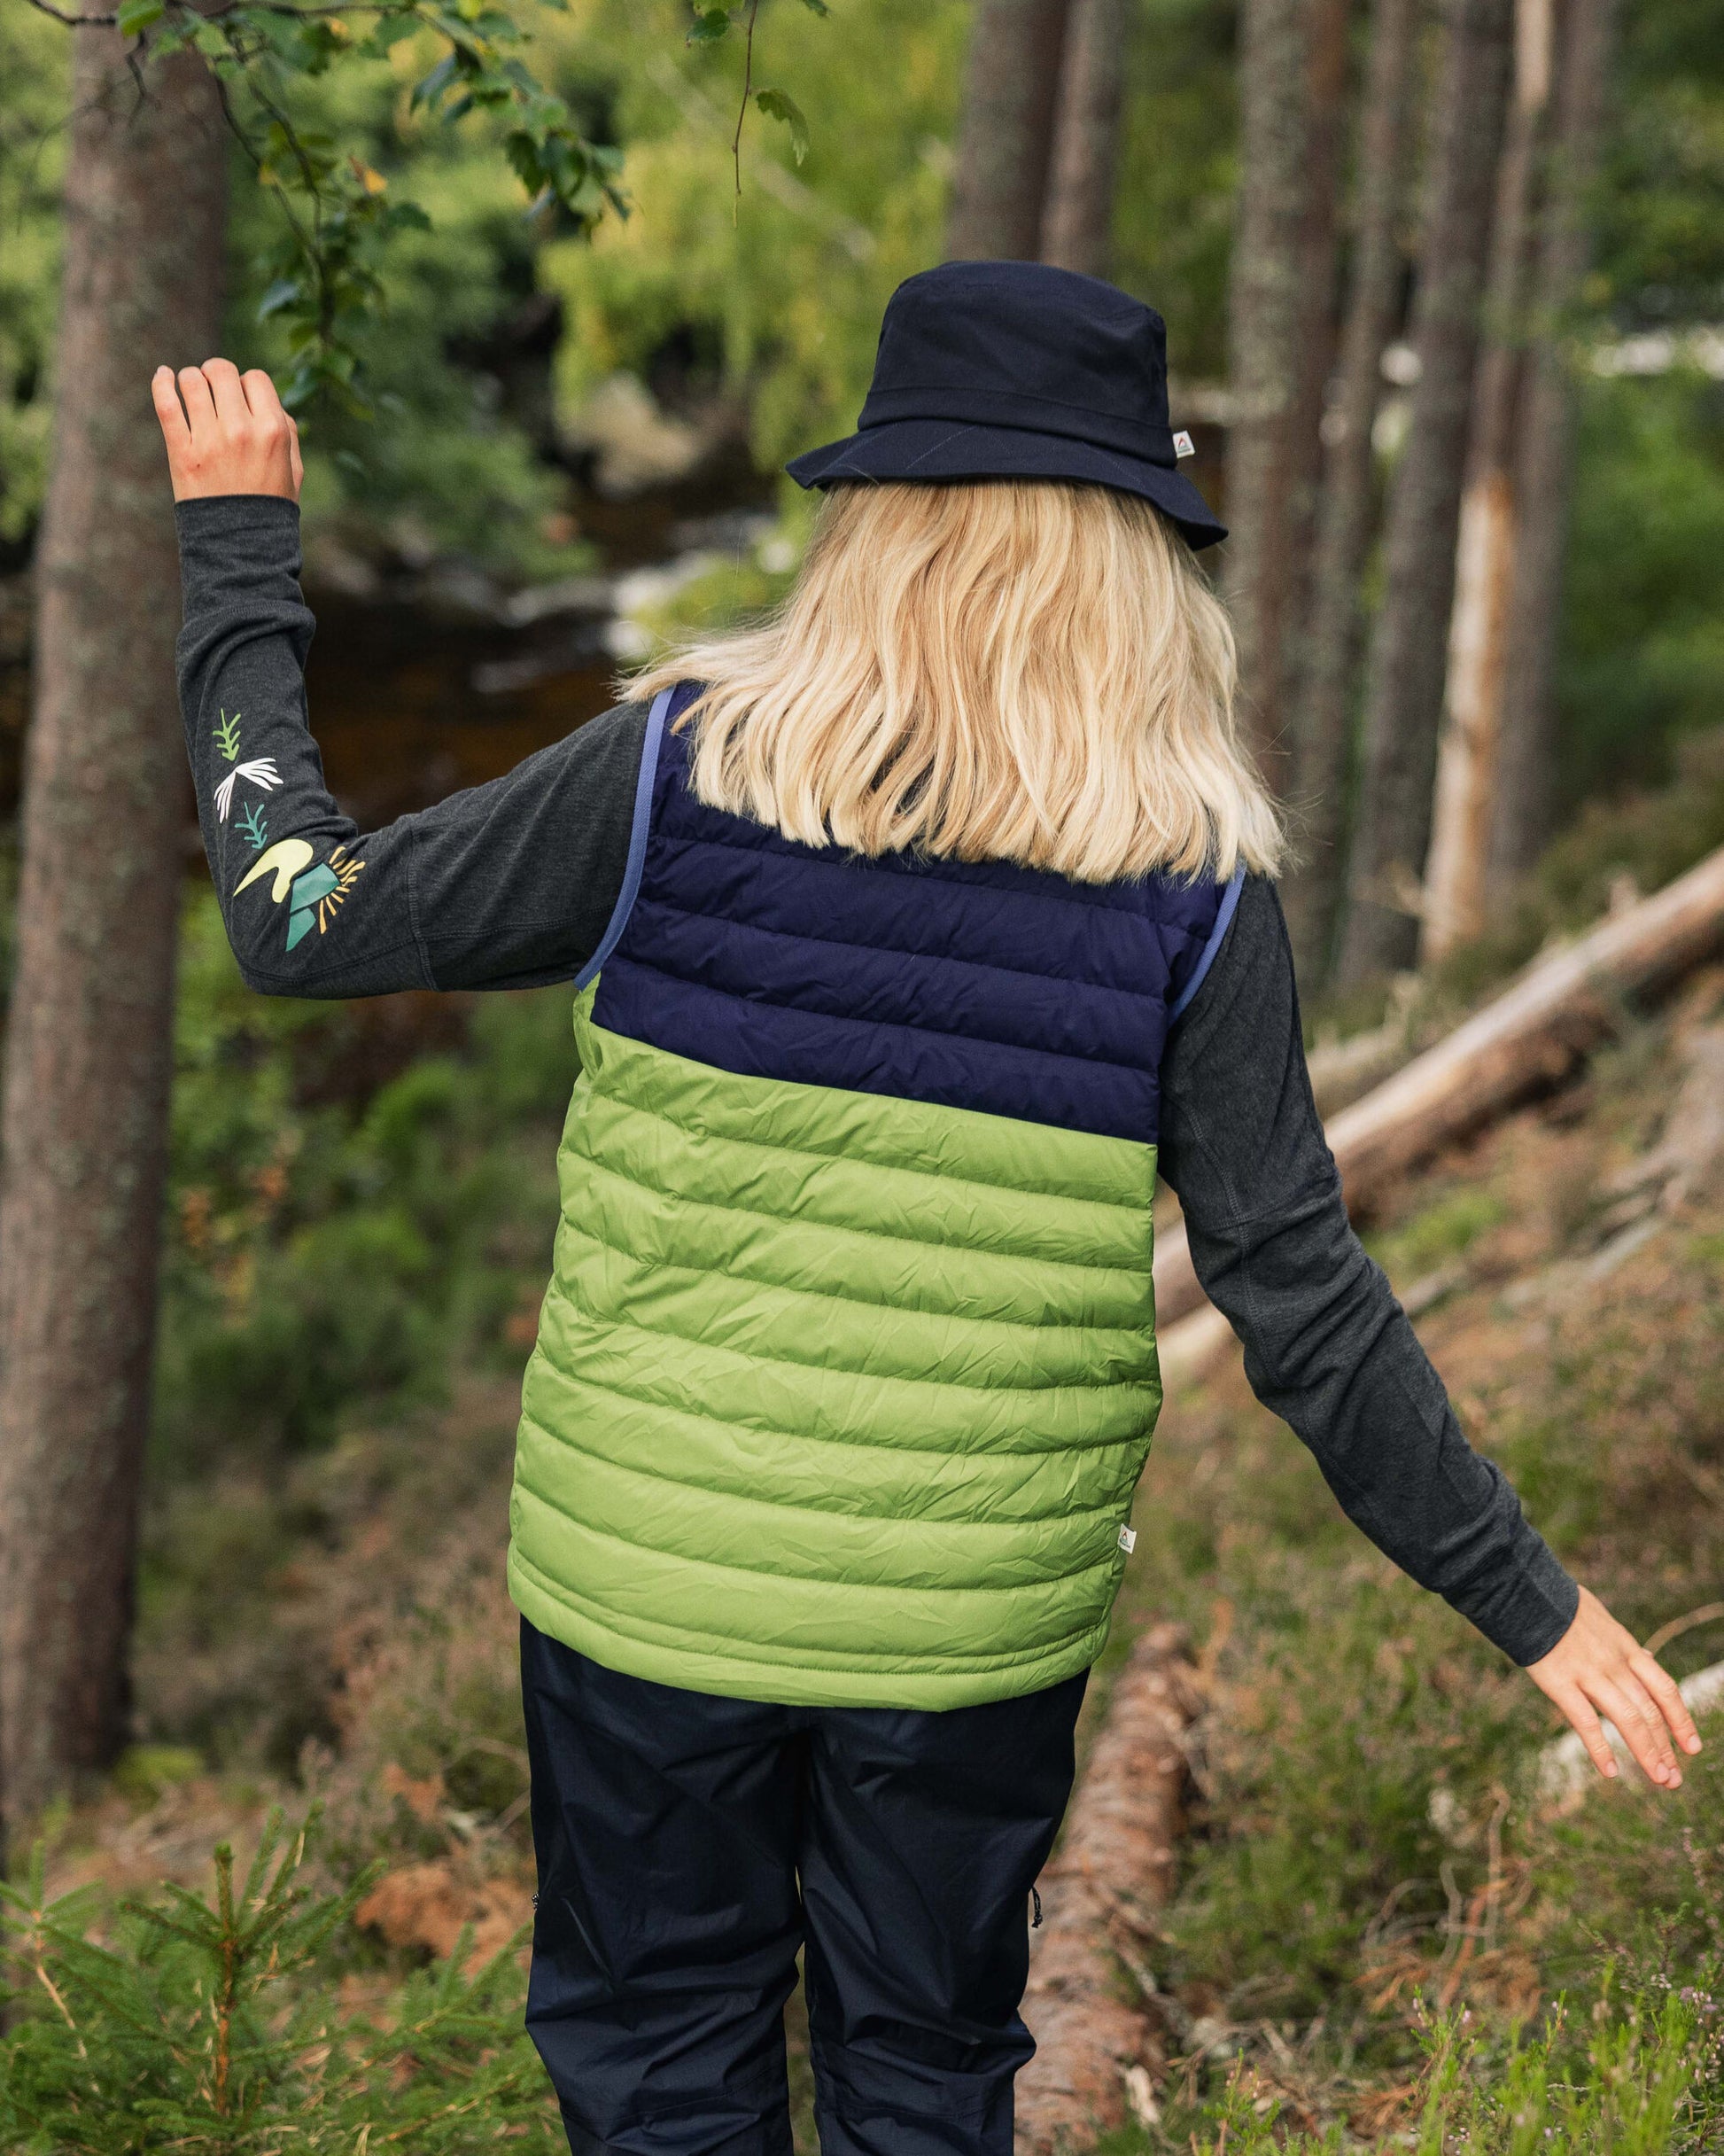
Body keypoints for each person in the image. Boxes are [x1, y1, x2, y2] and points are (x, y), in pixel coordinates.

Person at [154, 261, 1699, 2156]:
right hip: (966, 1632)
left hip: (652, 1581)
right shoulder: (1190, 883)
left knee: (658, 2071)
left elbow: (296, 916)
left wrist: (240, 561)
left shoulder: (670, 777)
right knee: (919, 2074)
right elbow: (1295, 1289)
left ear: (874, 516)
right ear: (1135, 558)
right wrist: (1531, 1605)